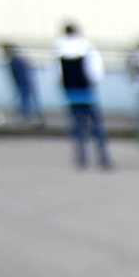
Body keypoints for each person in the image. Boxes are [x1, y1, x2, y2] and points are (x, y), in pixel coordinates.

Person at [56, 20, 113, 171]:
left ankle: (81, 159)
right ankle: (103, 159)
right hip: (87, 93)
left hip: (71, 94)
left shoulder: (61, 48)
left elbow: (58, 74)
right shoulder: (86, 46)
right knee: (97, 127)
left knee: (77, 127)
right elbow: (96, 72)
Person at [3, 40, 43, 127]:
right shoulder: (17, 60)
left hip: (24, 83)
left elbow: (21, 72)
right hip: (24, 83)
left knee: (26, 101)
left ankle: (29, 117)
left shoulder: (16, 60)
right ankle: (32, 117)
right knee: (28, 100)